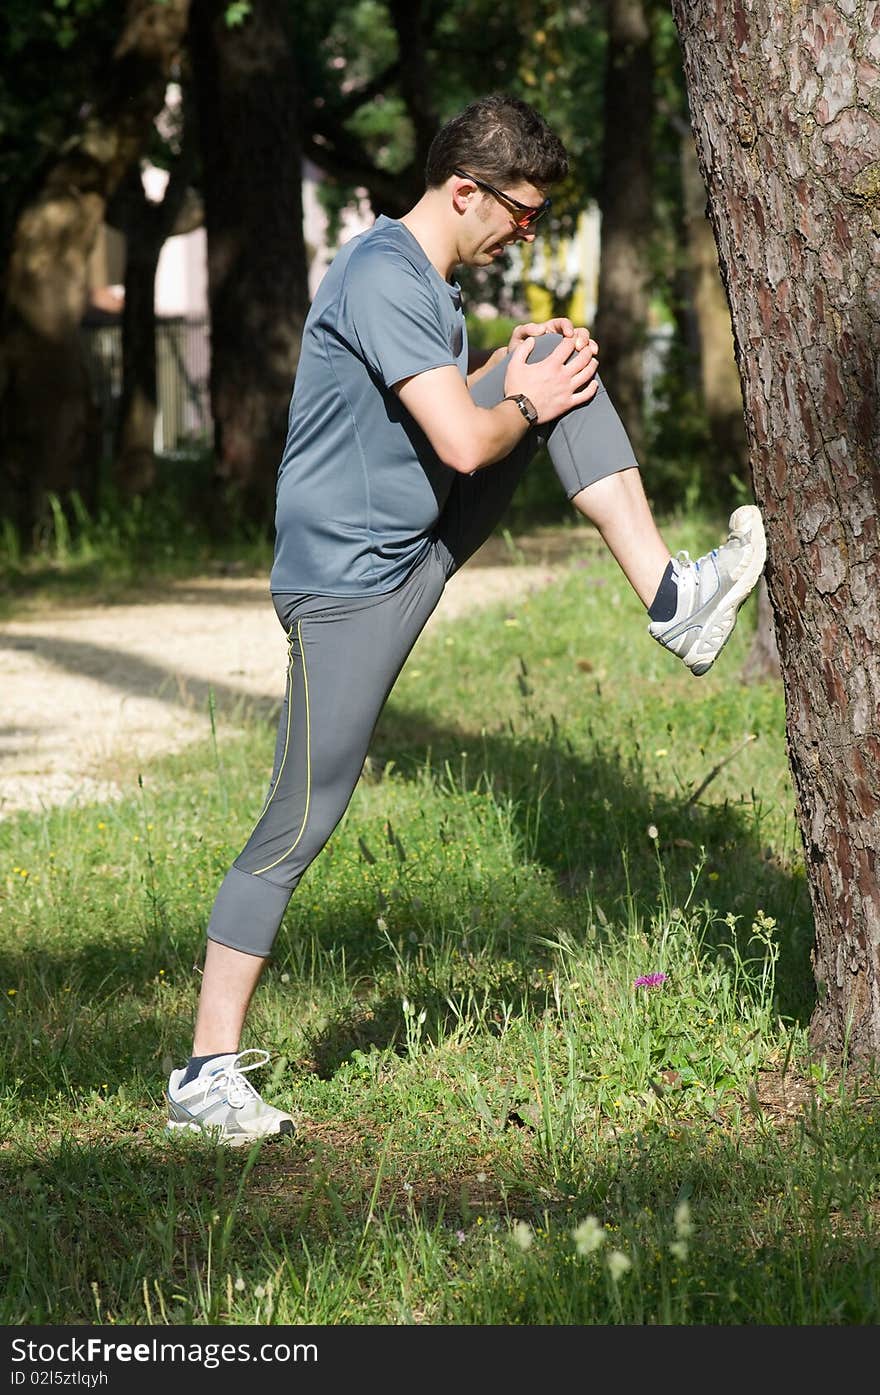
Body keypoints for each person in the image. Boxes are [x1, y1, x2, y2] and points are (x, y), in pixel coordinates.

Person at [166, 93, 766, 1145]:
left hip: (413, 539)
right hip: (349, 582)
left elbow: (464, 414)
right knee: (301, 814)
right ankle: (204, 1073)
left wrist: (527, 374)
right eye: (519, 215)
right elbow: (460, 441)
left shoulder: (423, 285)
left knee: (553, 359)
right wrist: (523, 399)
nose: (522, 233)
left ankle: (674, 600)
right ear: (461, 190)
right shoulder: (381, 275)